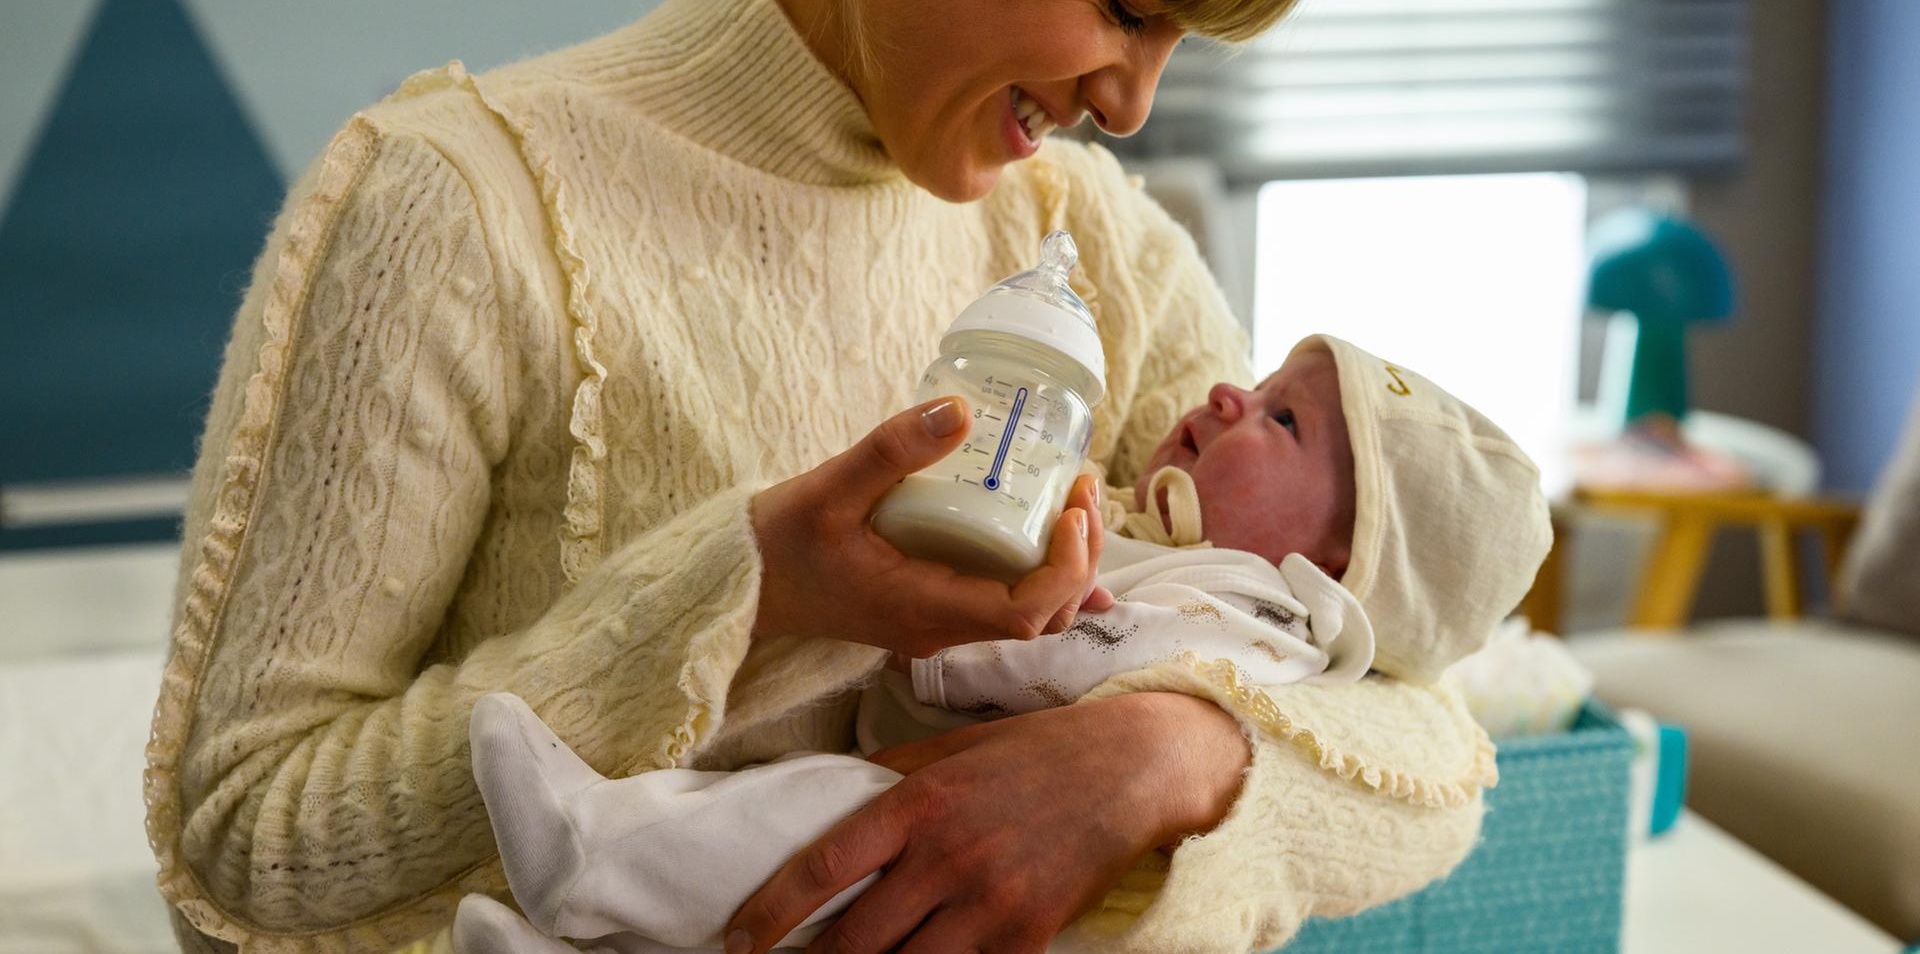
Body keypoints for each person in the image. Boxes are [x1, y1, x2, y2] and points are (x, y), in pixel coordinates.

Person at [138, 0, 1510, 951]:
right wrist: (747, 598)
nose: (1133, 104)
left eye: (1177, 41)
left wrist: (1162, 754)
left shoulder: (1087, 242)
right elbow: (240, 845)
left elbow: (1426, 725)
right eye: (1126, 1)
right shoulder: (453, 211)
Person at [445, 333, 1552, 953]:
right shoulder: (1166, 536)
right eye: (1264, 383)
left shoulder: (1252, 619)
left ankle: (595, 854)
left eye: (1284, 419)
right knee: (787, 870)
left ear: (1342, 572)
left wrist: (950, 642)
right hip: (941, 831)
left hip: (997, 879)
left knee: (804, 824)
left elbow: (1087, 656)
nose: (1226, 387)